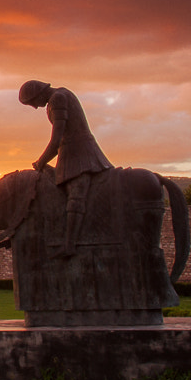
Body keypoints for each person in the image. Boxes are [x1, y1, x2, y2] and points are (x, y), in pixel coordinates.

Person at [19, 80, 113, 258]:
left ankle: (70, 244)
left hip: (79, 154)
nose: (34, 107)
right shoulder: (59, 96)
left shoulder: (58, 99)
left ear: (38, 94)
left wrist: (41, 161)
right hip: (71, 153)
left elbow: (56, 141)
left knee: (75, 196)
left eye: (32, 102)